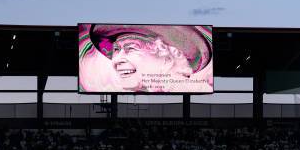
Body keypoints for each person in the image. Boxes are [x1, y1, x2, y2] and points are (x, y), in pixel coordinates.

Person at [82, 24, 214, 93]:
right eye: (116, 50)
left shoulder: (199, 89)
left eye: (131, 48)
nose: (116, 60)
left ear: (167, 58)